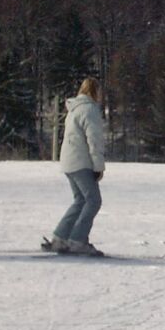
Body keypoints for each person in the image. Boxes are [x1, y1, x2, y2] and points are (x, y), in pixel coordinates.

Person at [47, 78, 107, 255]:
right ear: (94, 92)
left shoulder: (74, 109)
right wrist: (98, 166)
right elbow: (94, 140)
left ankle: (60, 237)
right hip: (81, 162)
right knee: (93, 200)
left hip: (69, 161)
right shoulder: (90, 110)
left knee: (81, 200)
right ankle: (78, 240)